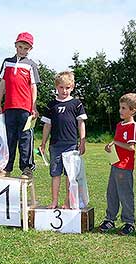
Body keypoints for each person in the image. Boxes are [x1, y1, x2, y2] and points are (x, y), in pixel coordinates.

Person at [0, 32, 40, 179]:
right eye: (20, 46)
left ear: (30, 49)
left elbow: (33, 86)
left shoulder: (31, 65)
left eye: (26, 48)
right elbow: (2, 83)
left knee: (26, 139)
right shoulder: (7, 62)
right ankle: (6, 168)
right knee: (9, 139)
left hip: (25, 109)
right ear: (15, 45)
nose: (22, 50)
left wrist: (34, 107)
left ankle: (27, 168)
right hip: (9, 107)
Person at [40, 71, 87, 209]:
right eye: (61, 87)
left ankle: (67, 202)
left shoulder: (76, 104)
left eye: (67, 87)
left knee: (70, 176)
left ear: (72, 87)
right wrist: (43, 143)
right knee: (55, 174)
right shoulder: (51, 105)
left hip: (71, 145)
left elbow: (81, 123)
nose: (64, 90)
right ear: (56, 87)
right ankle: (54, 201)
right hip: (55, 145)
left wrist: (82, 141)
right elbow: (47, 125)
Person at [98, 93, 136, 236]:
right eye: (120, 108)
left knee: (125, 194)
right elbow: (118, 144)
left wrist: (115, 142)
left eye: (124, 108)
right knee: (112, 193)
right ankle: (110, 219)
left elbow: (131, 147)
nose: (120, 111)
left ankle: (129, 222)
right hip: (115, 164)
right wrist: (110, 147)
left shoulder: (132, 126)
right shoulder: (119, 125)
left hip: (125, 167)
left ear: (133, 110)